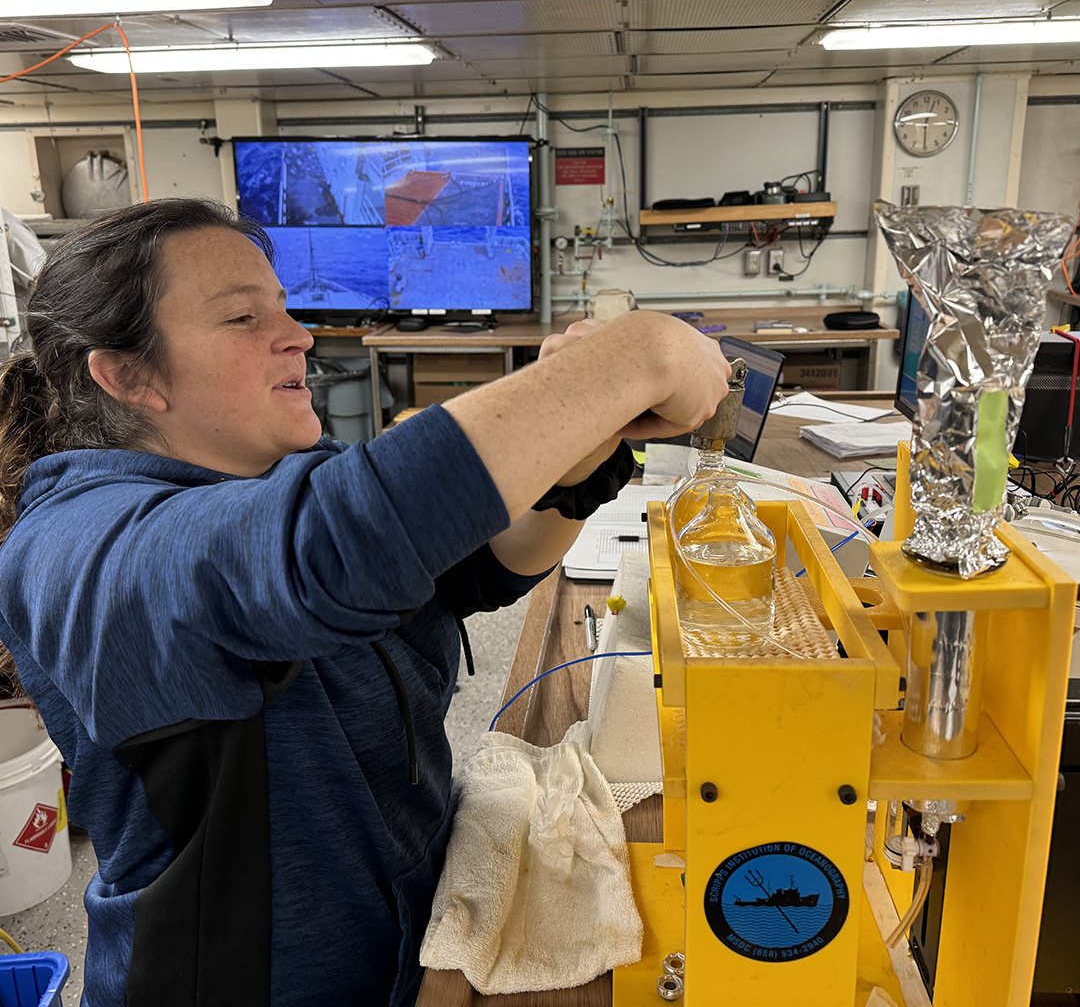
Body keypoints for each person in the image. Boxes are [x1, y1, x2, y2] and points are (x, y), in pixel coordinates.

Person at [0, 198, 730, 1006]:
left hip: (403, 940)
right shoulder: (80, 551)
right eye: (244, 317)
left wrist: (587, 440)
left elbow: (482, 559)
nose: (298, 336)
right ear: (127, 375)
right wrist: (635, 356)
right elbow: (339, 543)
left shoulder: (269, 476)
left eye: (284, 306)